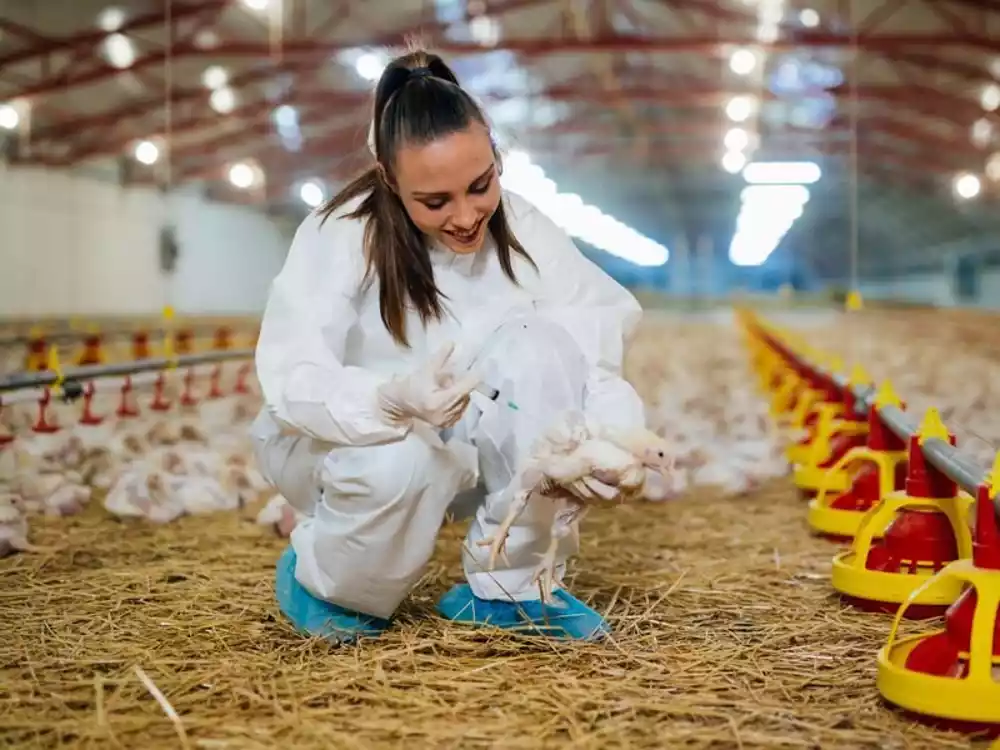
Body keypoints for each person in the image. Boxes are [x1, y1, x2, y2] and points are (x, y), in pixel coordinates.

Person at [251, 47, 650, 644]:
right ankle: (331, 582)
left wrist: (609, 438)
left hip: (468, 440)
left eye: (480, 185)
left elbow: (590, 343)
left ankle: (511, 586)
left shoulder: (525, 228)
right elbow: (294, 370)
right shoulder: (342, 233)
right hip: (343, 443)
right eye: (434, 202)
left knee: (541, 351)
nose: (466, 216)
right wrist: (387, 400)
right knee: (403, 461)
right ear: (390, 179)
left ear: (494, 152)